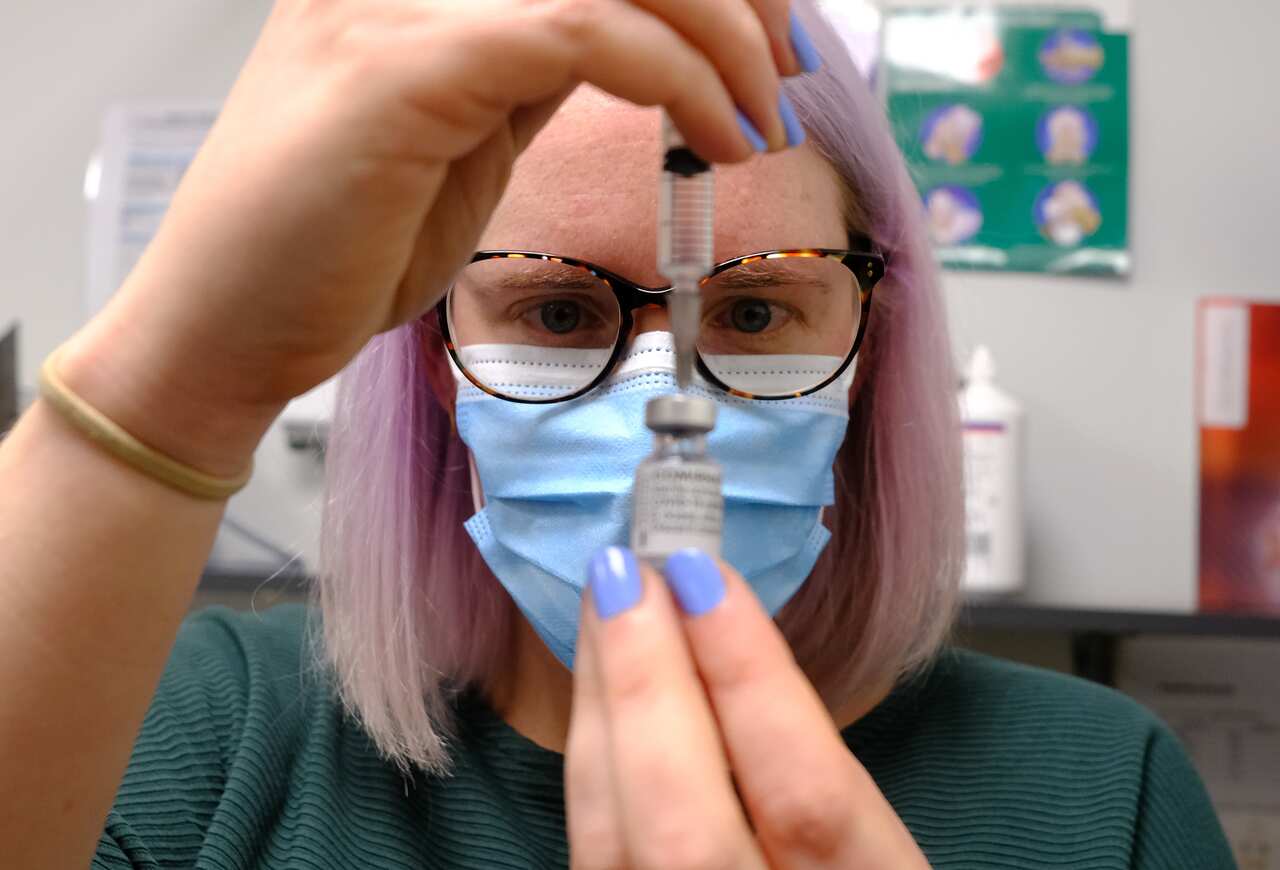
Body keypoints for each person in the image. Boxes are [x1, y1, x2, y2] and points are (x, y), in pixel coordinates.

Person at [0, 1, 1235, 868]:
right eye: (553, 308)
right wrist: (181, 376)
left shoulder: (1094, 793)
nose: (661, 405)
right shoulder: (204, 733)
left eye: (752, 310)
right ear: (435, 364)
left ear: (870, 350)